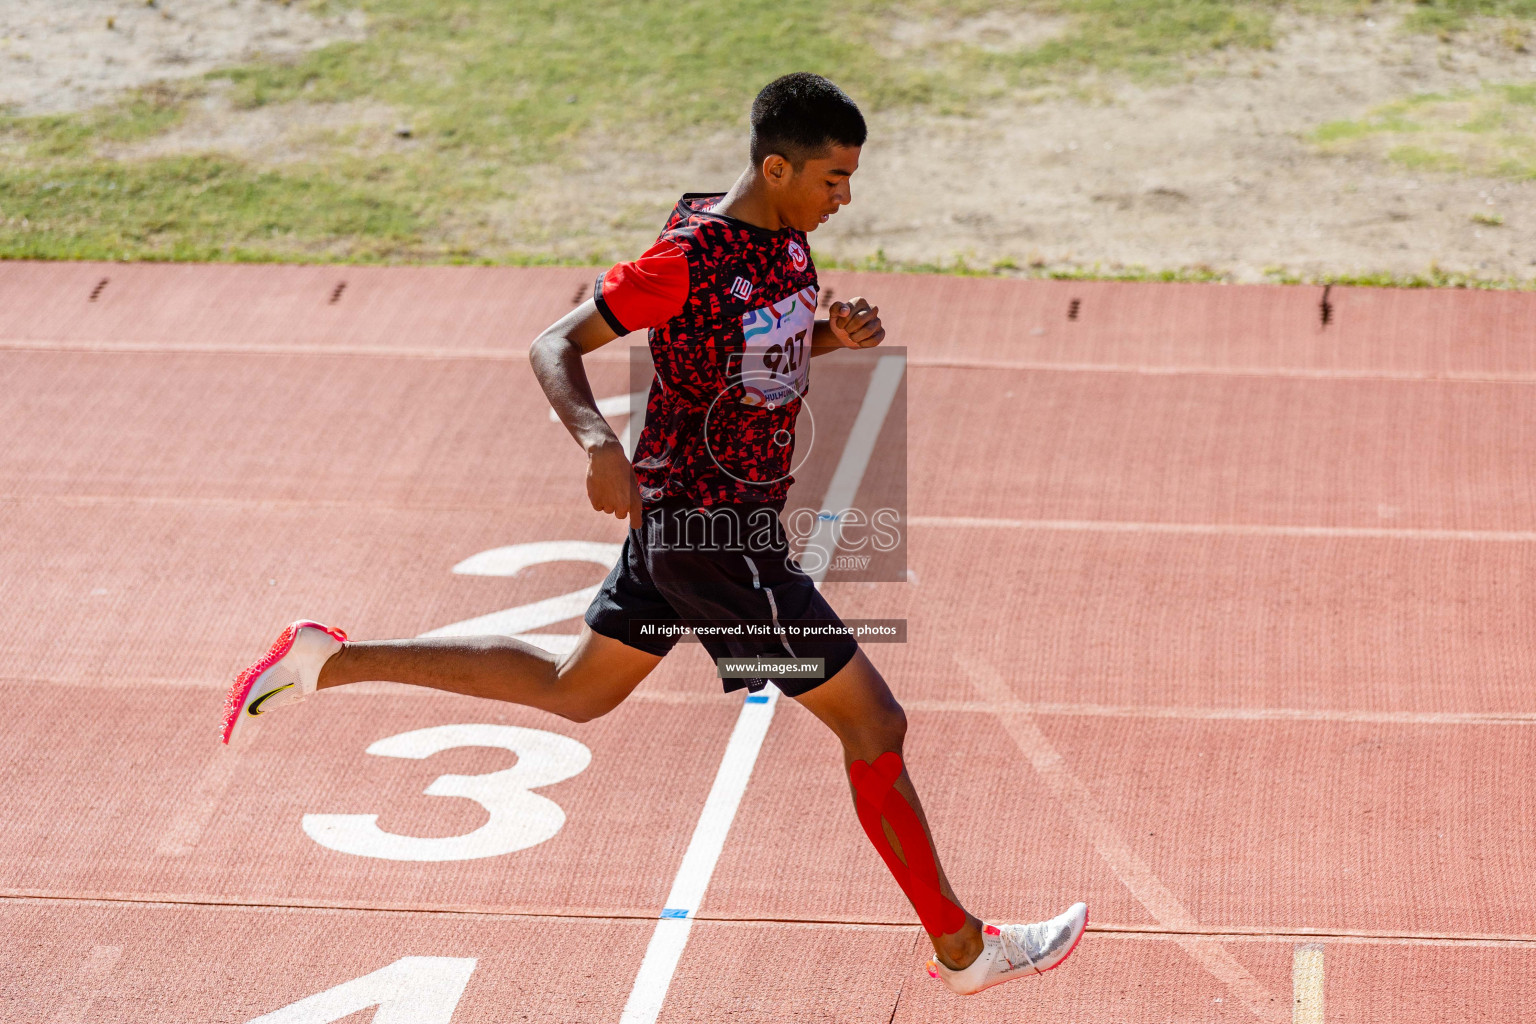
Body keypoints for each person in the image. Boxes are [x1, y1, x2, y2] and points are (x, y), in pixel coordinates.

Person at [221, 72, 1085, 995]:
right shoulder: (687, 257)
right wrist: (598, 443)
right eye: (834, 179)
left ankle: (323, 661)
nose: (847, 198)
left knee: (575, 690)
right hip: (716, 541)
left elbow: (754, 353)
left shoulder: (788, 248)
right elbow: (553, 344)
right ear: (777, 166)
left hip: (699, 526)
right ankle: (962, 950)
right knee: (874, 722)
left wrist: (832, 336)